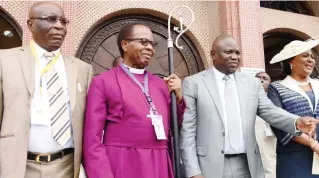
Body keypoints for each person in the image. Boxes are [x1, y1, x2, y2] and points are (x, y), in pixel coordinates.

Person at [180, 35, 319, 178]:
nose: (235, 56)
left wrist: (296, 121)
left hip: (247, 164)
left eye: (237, 53)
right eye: (228, 52)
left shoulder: (251, 83)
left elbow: (269, 110)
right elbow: (188, 130)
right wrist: (193, 171)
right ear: (213, 54)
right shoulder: (194, 83)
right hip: (209, 166)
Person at [0, 2, 93, 178]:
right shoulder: (5, 61)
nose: (59, 26)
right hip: (18, 167)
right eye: (50, 19)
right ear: (31, 24)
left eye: (63, 21)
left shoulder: (83, 69)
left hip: (66, 167)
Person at [82, 24, 186, 178]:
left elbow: (173, 125)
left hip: (158, 163)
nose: (150, 48)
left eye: (152, 43)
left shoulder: (160, 84)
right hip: (122, 163)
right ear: (125, 45)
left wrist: (178, 98)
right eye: (144, 42)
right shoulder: (103, 82)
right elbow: (92, 139)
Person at [268, 38, 319, 178]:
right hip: (294, 158)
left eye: (312, 56)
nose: (311, 60)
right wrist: (313, 144)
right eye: (305, 55)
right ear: (291, 61)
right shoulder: (277, 88)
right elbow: (278, 123)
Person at [255, 71, 277, 178]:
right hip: (249, 140)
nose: (261, 79)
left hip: (268, 139)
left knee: (269, 166)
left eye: (265, 78)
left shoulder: (274, 100)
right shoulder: (244, 98)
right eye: (258, 77)